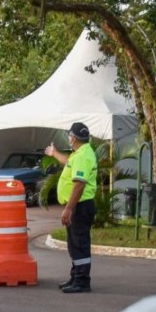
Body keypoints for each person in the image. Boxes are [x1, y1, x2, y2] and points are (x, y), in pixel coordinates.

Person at [44, 122, 97, 293]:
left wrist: (68, 209)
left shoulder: (82, 156)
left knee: (79, 243)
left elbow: (79, 185)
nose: (69, 139)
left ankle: (82, 281)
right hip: (78, 206)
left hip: (80, 206)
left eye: (69, 136)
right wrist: (54, 154)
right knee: (74, 244)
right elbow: (68, 162)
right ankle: (76, 277)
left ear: (73, 138)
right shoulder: (80, 153)